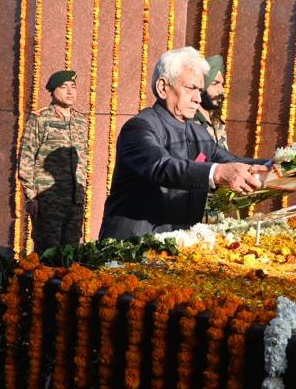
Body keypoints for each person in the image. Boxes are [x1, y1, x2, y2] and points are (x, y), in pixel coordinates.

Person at [99, 46, 269, 239]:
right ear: (163, 88)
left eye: (200, 90)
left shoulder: (198, 133)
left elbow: (234, 161)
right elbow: (161, 166)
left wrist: (283, 165)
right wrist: (217, 172)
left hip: (177, 247)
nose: (198, 99)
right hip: (130, 246)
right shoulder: (139, 127)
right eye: (190, 88)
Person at [17, 69, 89, 252]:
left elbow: (83, 160)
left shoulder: (80, 121)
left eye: (73, 87)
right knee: (47, 253)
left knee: (71, 254)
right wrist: (31, 196)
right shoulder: (40, 119)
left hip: (74, 201)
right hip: (48, 201)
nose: (70, 92)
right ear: (52, 90)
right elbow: (26, 157)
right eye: (64, 87)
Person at [192, 54, 230, 150]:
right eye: (215, 83)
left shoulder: (217, 122)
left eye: (222, 84)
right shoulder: (190, 122)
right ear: (201, 86)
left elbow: (227, 159)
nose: (221, 90)